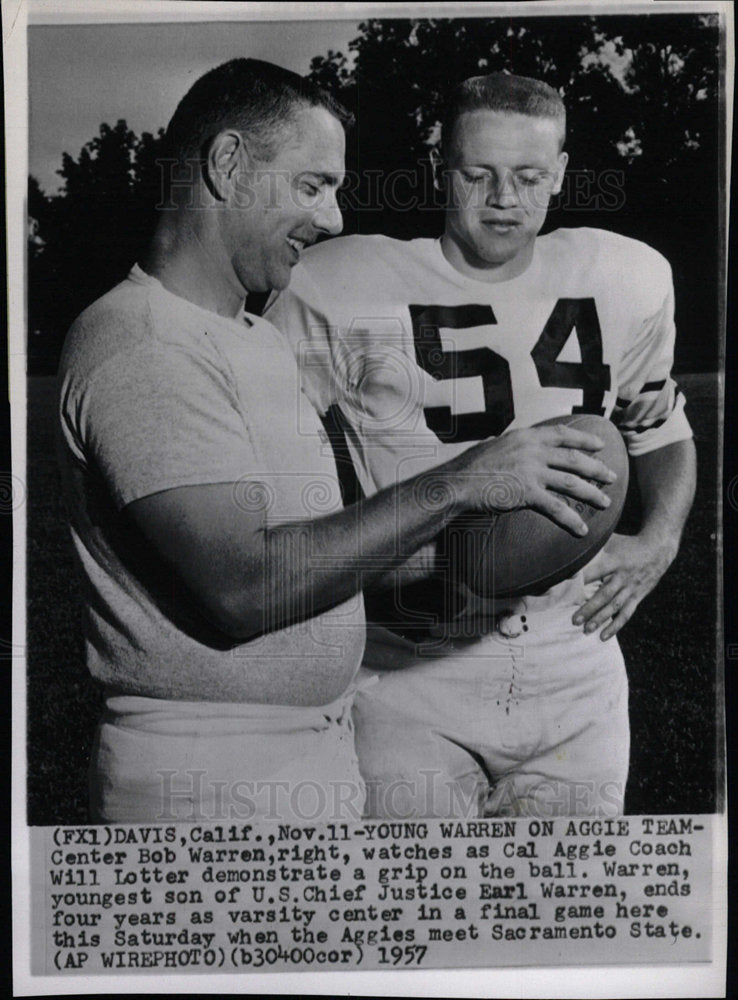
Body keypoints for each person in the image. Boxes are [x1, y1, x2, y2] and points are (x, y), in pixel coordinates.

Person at [57, 61, 616, 824]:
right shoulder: (142, 342)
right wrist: (457, 483)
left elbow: (320, 554)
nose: (333, 220)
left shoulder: (251, 335)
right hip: (206, 774)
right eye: (313, 185)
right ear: (228, 166)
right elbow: (245, 588)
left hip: (308, 753)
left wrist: (503, 545)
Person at [265, 72, 697, 819]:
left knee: (569, 919)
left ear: (562, 171)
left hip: (575, 660)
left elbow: (661, 428)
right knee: (420, 919)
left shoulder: (625, 274)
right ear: (440, 166)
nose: (505, 198)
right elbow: (261, 455)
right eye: (479, 173)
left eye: (530, 176)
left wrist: (660, 538)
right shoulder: (337, 285)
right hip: (410, 667)